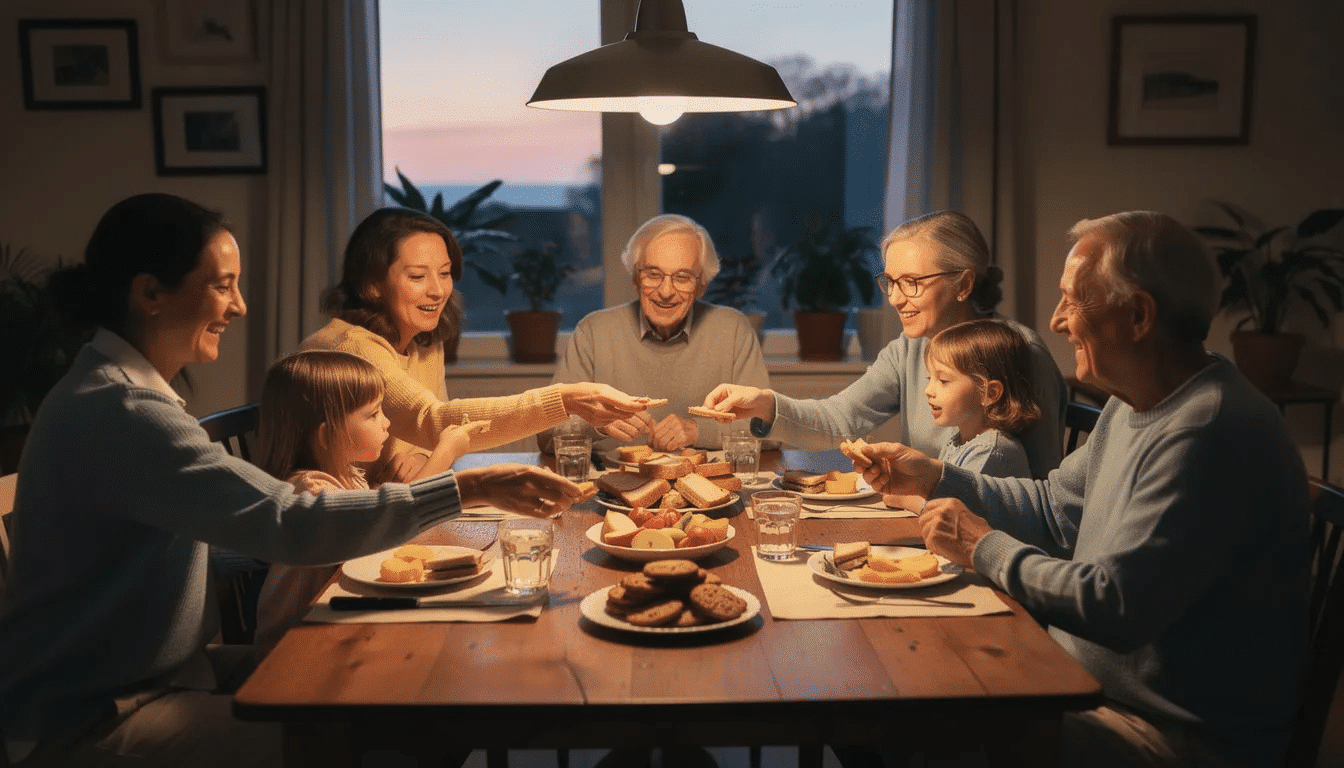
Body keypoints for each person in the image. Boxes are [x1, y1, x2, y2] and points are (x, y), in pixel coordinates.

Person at [0, 193, 582, 768]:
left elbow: (214, 538)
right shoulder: (124, 411)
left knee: (423, 697)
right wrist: (466, 488)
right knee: (404, 734)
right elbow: (288, 521)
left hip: (169, 675)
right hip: (98, 714)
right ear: (150, 293)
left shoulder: (120, 391)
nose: (241, 306)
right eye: (222, 285)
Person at [851, 211, 1309, 767]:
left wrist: (980, 546)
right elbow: (1053, 509)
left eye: (1073, 300)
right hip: (1081, 686)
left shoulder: (1207, 428)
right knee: (878, 690)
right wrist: (937, 477)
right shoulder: (1133, 401)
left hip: (1167, 734)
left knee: (894, 721)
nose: (1057, 320)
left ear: (1139, 315)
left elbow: (1114, 604)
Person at [703, 210, 1065, 479]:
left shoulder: (1022, 354)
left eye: (911, 282)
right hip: (927, 520)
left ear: (964, 285)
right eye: (890, 281)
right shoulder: (908, 350)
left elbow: (1043, 488)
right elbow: (841, 418)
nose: (894, 298)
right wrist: (765, 404)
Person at [302, 207, 647, 484]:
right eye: (418, 276)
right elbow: (434, 421)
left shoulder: (423, 341)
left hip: (393, 513)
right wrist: (566, 399)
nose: (437, 291)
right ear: (372, 285)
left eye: (445, 272)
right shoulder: (352, 349)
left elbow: (435, 437)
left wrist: (425, 455)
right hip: (338, 539)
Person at [248, 349, 489, 658]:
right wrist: (445, 453)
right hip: (293, 652)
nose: (386, 424)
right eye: (374, 414)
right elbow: (389, 524)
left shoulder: (345, 474)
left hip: (332, 626)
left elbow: (381, 513)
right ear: (327, 433)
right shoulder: (312, 493)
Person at [539, 213, 770, 455]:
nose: (666, 291)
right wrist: (598, 424)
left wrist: (696, 430)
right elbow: (545, 433)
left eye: (682, 277)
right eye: (653, 274)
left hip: (709, 485)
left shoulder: (733, 330)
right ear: (635, 278)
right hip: (610, 487)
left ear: (701, 285)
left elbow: (769, 428)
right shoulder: (593, 333)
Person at [923, 318, 1040, 478]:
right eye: (930, 379)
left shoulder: (992, 450)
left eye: (943, 380)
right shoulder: (957, 440)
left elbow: (948, 502)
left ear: (990, 393)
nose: (928, 390)